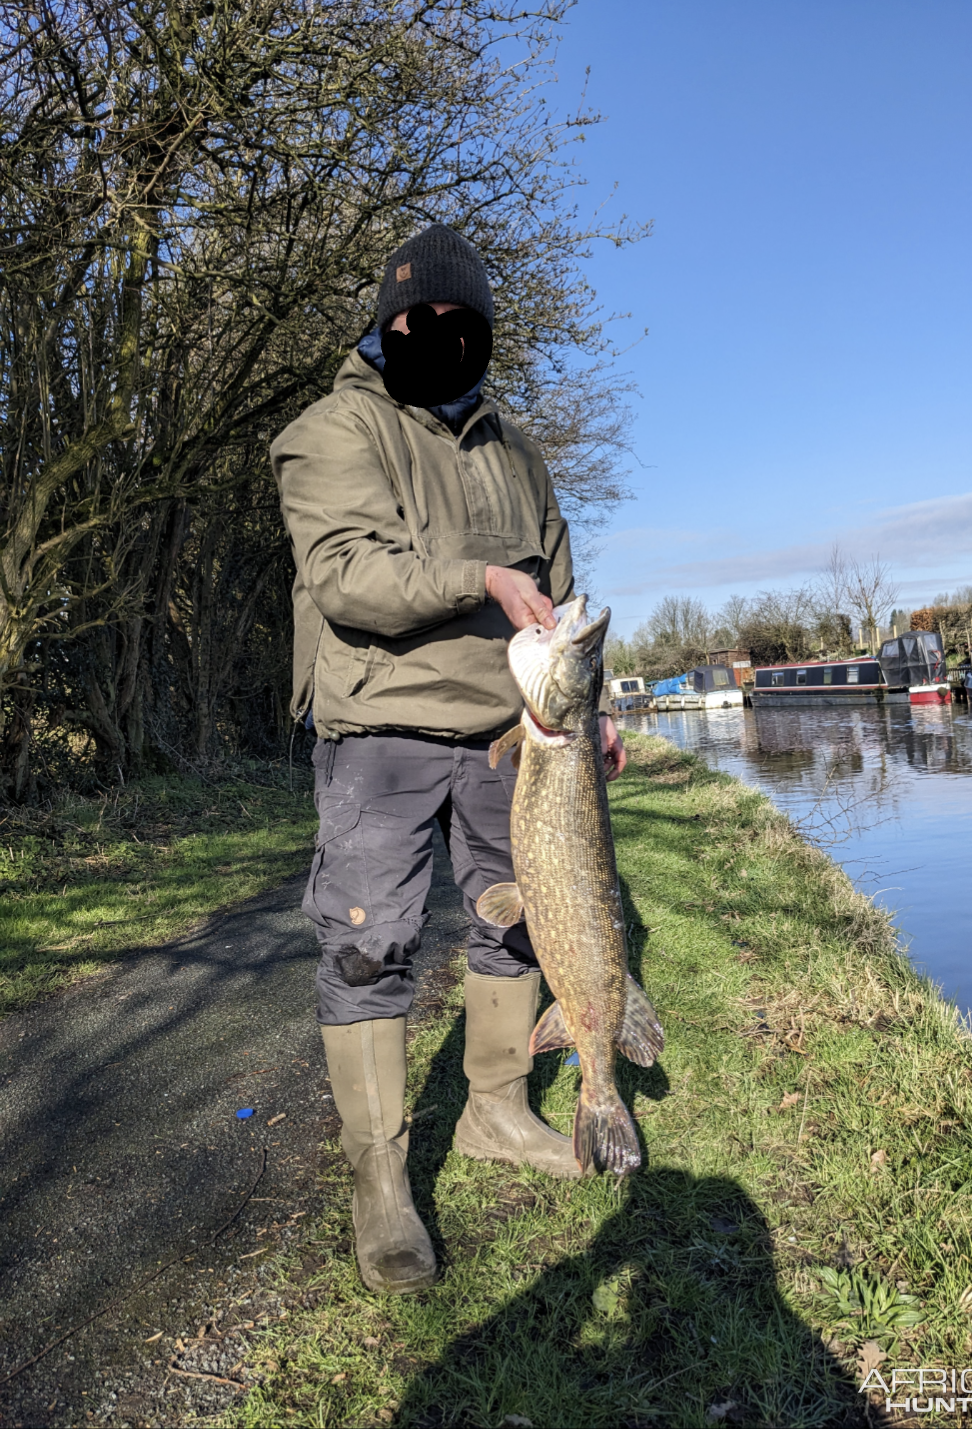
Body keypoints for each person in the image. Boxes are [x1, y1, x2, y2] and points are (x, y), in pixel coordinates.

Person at [271, 224, 626, 1295]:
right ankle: (380, 1185)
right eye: (427, 319)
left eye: (465, 324)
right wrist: (474, 571)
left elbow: (562, 596)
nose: (446, 336)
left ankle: (495, 1111)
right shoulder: (330, 430)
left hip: (510, 733)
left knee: (514, 921)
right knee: (367, 948)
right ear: (391, 319)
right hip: (378, 723)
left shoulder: (517, 449)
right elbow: (346, 579)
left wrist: (596, 703)